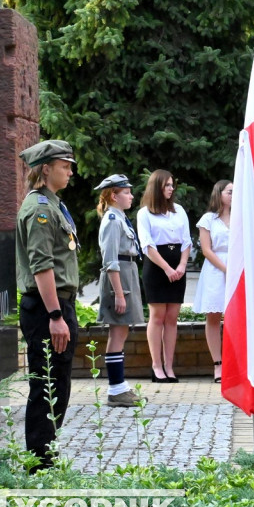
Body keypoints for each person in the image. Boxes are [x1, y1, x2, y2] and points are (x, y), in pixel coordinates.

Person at [15, 140, 80, 472]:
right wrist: (55, 315)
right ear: (45, 169)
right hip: (46, 309)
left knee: (57, 384)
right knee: (47, 385)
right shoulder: (40, 208)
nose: (70, 170)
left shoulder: (53, 205)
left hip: (56, 306)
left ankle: (46, 457)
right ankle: (39, 465)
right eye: (64, 165)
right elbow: (42, 266)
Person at [94, 174, 146, 407]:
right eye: (126, 192)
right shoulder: (112, 220)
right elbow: (110, 260)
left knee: (121, 332)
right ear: (114, 195)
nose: (131, 196)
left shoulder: (120, 217)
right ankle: (116, 390)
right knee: (117, 332)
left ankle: (120, 387)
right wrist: (118, 293)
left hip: (127, 272)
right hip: (119, 277)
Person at [137, 170, 191, 383]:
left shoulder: (178, 210)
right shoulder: (144, 213)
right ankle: (156, 366)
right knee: (157, 316)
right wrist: (167, 268)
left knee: (172, 318)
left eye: (172, 185)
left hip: (178, 266)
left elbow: (186, 240)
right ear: (157, 187)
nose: (171, 189)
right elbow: (147, 244)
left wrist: (182, 265)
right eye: (167, 185)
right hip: (157, 266)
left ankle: (169, 366)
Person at [193, 180, 232, 383]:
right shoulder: (208, 219)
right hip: (216, 270)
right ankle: (218, 365)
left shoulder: (240, 217)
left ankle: (237, 363)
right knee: (214, 317)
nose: (233, 195)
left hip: (236, 267)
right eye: (229, 192)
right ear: (219, 194)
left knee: (237, 317)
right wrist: (227, 269)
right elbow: (206, 250)